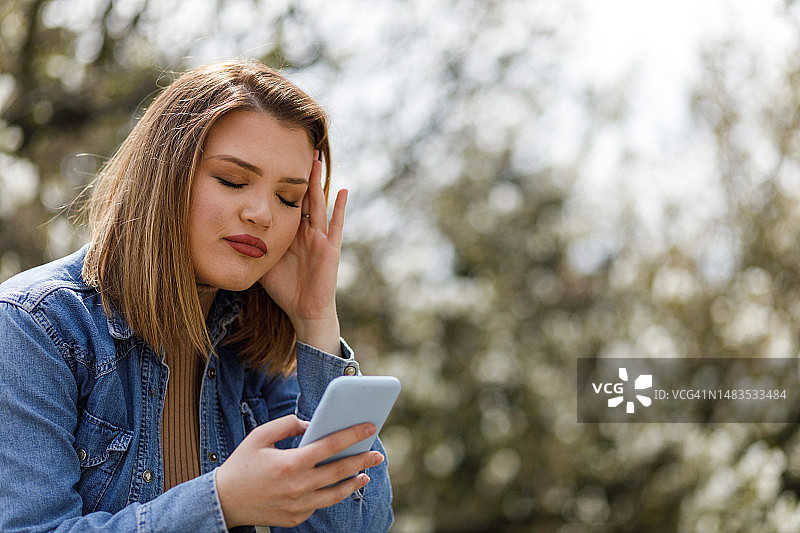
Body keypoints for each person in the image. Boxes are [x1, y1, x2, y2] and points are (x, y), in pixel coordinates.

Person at [0, 60, 393, 532]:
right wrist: (220, 503)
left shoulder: (255, 354)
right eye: (232, 180)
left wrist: (316, 321)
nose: (262, 214)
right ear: (164, 176)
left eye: (289, 198)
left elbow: (355, 526)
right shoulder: (34, 326)